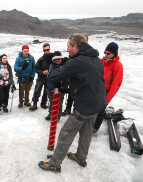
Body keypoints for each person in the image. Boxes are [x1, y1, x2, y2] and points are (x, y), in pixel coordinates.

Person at [38, 33, 106, 172]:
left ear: (76, 46)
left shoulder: (78, 61)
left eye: (68, 47)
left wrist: (54, 62)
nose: (67, 50)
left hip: (85, 106)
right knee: (86, 132)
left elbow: (53, 77)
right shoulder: (96, 59)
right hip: (98, 104)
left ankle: (54, 163)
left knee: (66, 133)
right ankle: (81, 157)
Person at [93, 42, 123, 132]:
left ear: (114, 53)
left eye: (108, 53)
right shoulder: (101, 61)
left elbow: (116, 84)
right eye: (105, 52)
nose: (105, 55)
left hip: (105, 92)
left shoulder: (118, 65)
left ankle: (95, 127)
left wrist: (107, 99)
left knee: (100, 110)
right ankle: (88, 124)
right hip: (96, 89)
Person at [62, 33, 88, 116]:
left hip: (81, 85)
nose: (67, 49)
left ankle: (75, 112)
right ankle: (68, 109)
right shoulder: (75, 55)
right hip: (73, 82)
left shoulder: (86, 57)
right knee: (70, 95)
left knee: (76, 98)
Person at [44, 51, 69, 121]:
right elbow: (46, 56)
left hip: (60, 88)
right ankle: (51, 113)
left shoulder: (65, 64)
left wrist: (65, 59)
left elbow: (74, 63)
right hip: (50, 86)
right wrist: (54, 55)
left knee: (59, 103)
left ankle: (58, 116)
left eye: (58, 60)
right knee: (51, 101)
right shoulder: (52, 63)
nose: (57, 61)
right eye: (55, 60)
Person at [29, 43, 50, 111]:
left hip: (49, 78)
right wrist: (42, 72)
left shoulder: (52, 59)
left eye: (47, 50)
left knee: (46, 92)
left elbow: (55, 68)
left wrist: (48, 71)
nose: (46, 51)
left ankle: (43, 103)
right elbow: (36, 68)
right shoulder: (41, 59)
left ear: (50, 49)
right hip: (41, 77)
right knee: (37, 91)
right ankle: (34, 104)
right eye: (44, 50)